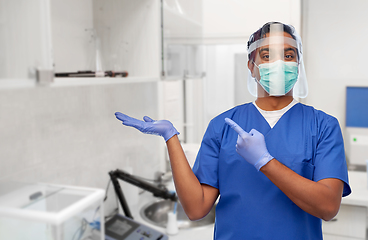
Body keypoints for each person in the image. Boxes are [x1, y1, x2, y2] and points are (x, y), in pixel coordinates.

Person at [115, 22, 351, 240]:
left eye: (288, 55)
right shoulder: (223, 126)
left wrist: (264, 161)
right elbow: (196, 209)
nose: (279, 64)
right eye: (267, 56)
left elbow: (328, 207)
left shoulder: (322, 126)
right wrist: (171, 138)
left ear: (297, 65)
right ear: (251, 66)